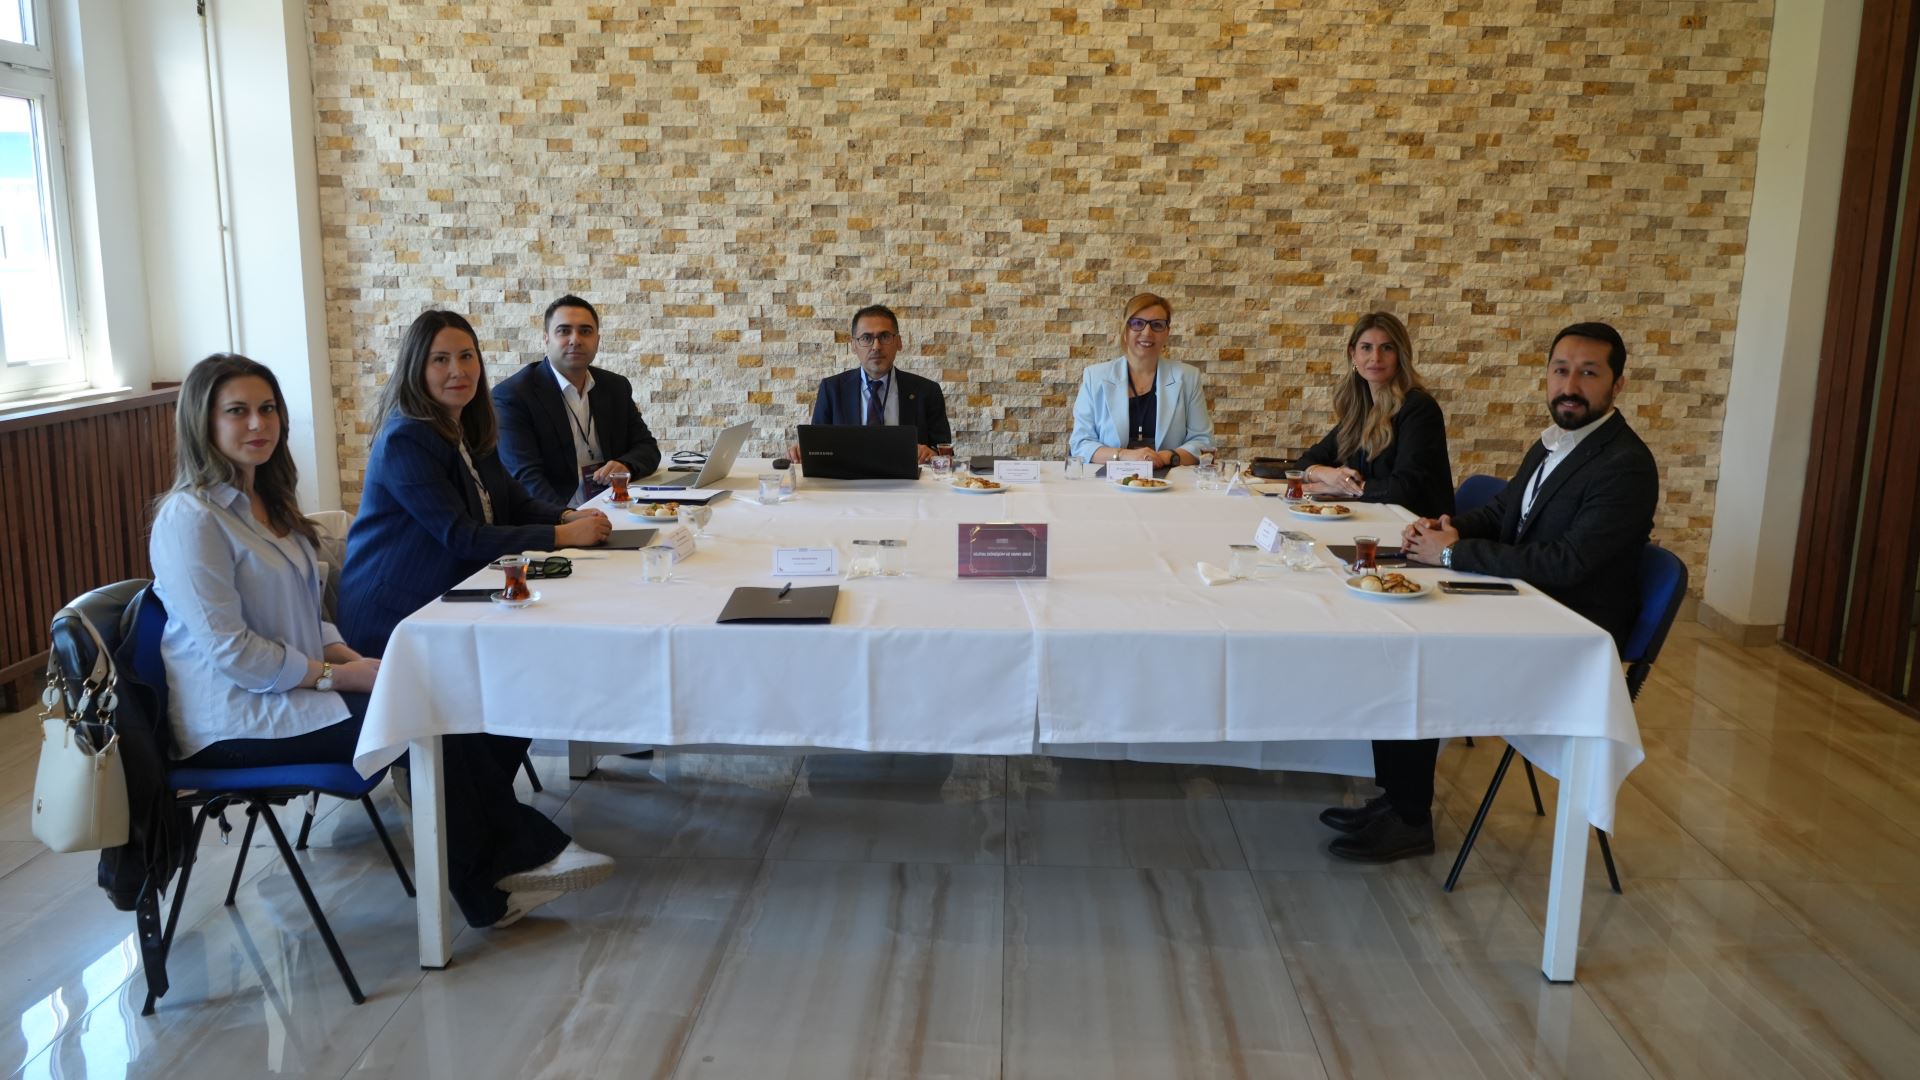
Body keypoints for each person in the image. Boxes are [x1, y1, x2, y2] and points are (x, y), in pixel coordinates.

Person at [151, 353, 610, 929]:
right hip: (235, 720)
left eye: (267, 409)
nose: (258, 424)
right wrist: (338, 676)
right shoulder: (190, 518)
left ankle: (498, 883)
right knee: (424, 717)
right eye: (237, 412)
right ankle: (516, 865)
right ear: (202, 422)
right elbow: (232, 653)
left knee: (445, 701)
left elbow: (305, 615)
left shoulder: (271, 505)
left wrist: (347, 657)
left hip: (294, 689)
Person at [1320, 321, 1659, 863]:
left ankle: (1410, 818)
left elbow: (1568, 563)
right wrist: (1443, 527)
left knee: (1419, 650)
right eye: (1561, 370)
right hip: (1528, 602)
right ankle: (1398, 799)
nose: (1570, 385)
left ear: (1618, 384)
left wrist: (1451, 555)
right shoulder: (1554, 444)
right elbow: (1503, 512)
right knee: (1399, 632)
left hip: (1567, 634)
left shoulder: (1625, 465)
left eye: (1588, 373)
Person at [339, 309, 612, 654]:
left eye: (466, 356)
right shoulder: (404, 439)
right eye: (441, 359)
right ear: (416, 369)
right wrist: (562, 536)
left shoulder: (469, 425)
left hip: (461, 590)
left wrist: (567, 516)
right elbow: (462, 536)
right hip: (398, 614)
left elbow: (514, 503)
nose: (458, 370)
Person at [493, 294, 662, 506]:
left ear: (597, 340)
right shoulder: (513, 395)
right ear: (546, 338)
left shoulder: (615, 386)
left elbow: (647, 448)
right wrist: (568, 518)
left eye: (585, 331)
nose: (575, 340)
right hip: (556, 514)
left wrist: (625, 465)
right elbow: (526, 479)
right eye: (564, 331)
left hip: (613, 504)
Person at [1295, 311, 1455, 518]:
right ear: (1353, 355)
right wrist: (1327, 474)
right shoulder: (1362, 410)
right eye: (1366, 347)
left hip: (1415, 527)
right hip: (1374, 519)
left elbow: (1405, 488)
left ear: (1401, 356)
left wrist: (1348, 487)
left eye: (1387, 348)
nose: (1375, 358)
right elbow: (1305, 461)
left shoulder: (1419, 409)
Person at [1068, 292, 1214, 467]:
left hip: (1169, 478)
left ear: (1167, 332)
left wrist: (1164, 457)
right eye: (1137, 323)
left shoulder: (1188, 377)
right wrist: (1125, 456)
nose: (1147, 332)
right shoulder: (1095, 377)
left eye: (1157, 325)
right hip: (1109, 479)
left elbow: (1203, 442)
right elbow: (1080, 443)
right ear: (1125, 330)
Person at [796, 304, 952, 464]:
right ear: (853, 345)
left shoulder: (927, 391)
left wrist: (932, 453)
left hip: (907, 478)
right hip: (849, 478)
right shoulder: (831, 389)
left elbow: (946, 451)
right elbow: (818, 447)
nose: (876, 347)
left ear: (899, 342)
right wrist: (803, 451)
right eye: (866, 338)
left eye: (884, 336)